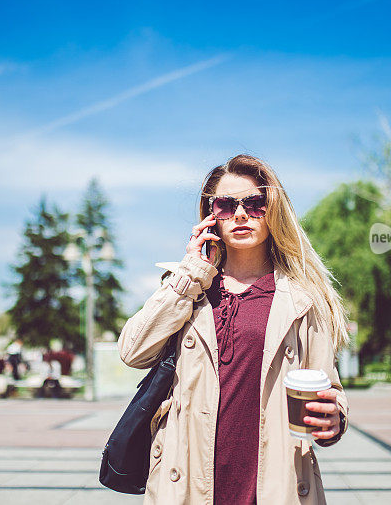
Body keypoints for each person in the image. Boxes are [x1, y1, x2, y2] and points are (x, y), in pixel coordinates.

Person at [118, 154, 350, 504]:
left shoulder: (303, 299)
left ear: (273, 210)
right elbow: (133, 352)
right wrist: (191, 272)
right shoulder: (189, 287)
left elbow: (326, 389)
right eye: (226, 205)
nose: (240, 214)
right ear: (211, 216)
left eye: (254, 203)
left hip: (274, 485)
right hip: (188, 485)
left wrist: (334, 419)